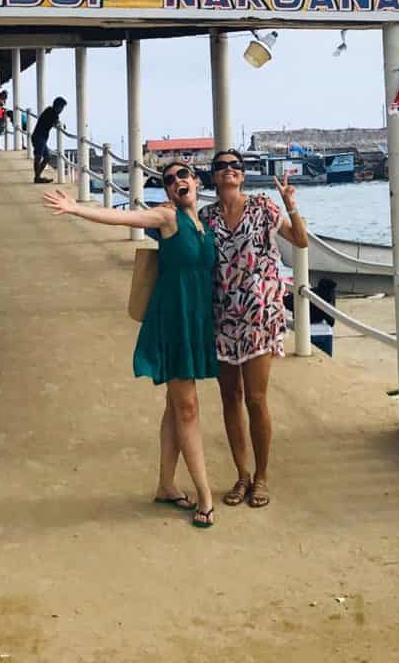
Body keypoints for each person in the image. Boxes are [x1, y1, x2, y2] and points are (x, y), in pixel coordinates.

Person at [43, 160, 219, 529]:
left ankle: (166, 485)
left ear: (196, 180)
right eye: (168, 180)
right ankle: (204, 494)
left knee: (176, 406)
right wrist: (77, 208)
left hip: (196, 322)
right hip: (173, 323)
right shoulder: (167, 219)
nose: (176, 182)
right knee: (187, 409)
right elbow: (124, 219)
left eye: (182, 175)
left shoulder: (207, 224)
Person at [198, 149, 308, 510]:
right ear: (213, 176)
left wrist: (289, 202)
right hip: (222, 317)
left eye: (235, 167)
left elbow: (300, 240)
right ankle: (242, 474)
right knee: (229, 397)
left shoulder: (262, 207)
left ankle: (261, 475)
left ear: (243, 175)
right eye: (221, 167)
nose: (229, 171)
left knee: (256, 398)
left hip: (259, 315)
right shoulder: (206, 217)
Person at [31, 96, 66, 184]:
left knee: (47, 157)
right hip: (39, 137)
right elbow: (57, 122)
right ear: (57, 106)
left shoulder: (50, 111)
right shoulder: (52, 112)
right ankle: (37, 177)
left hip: (40, 137)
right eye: (61, 107)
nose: (62, 110)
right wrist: (61, 125)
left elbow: (56, 122)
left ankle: (37, 176)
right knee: (38, 157)